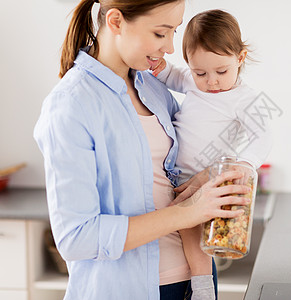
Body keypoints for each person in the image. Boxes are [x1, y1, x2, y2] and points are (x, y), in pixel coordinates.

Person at [33, 1, 251, 299]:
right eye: (161, 33)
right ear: (116, 22)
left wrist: (207, 177)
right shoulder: (71, 105)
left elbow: (179, 165)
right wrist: (186, 213)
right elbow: (76, 238)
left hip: (194, 280)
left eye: (174, 31)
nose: (172, 48)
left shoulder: (151, 87)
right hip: (132, 290)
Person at [152, 8, 273, 296]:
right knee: (184, 226)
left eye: (221, 71)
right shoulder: (192, 81)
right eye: (200, 72)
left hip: (209, 177)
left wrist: (245, 163)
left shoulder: (244, 98)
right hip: (177, 175)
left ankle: (203, 285)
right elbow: (172, 76)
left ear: (240, 59)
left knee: (193, 227)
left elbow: (263, 135)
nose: (212, 81)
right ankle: (202, 281)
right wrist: (159, 68)